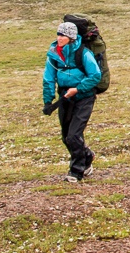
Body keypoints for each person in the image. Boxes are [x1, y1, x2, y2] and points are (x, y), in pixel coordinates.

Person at [42, 21, 102, 182]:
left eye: (64, 35)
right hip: (65, 98)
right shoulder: (53, 54)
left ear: (72, 37)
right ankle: (87, 156)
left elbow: (95, 75)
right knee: (66, 136)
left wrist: (78, 89)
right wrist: (48, 101)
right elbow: (48, 78)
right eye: (59, 34)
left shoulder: (83, 53)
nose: (60, 38)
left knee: (74, 135)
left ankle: (76, 171)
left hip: (84, 97)